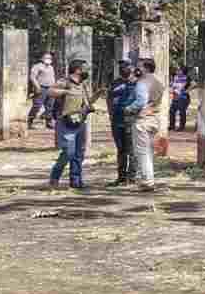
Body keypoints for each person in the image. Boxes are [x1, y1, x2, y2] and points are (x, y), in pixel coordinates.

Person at [45, 60, 95, 190]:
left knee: (79, 153)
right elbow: (50, 91)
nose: (87, 71)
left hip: (80, 122)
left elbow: (86, 102)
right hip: (65, 122)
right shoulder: (64, 82)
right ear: (78, 70)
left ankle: (76, 182)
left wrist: (89, 107)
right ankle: (54, 178)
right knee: (68, 152)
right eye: (85, 69)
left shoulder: (83, 85)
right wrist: (65, 92)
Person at [126, 58, 166, 192]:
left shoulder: (143, 82)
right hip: (154, 119)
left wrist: (128, 108)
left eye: (139, 67)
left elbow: (140, 102)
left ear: (145, 68)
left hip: (142, 120)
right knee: (148, 151)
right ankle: (146, 179)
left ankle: (147, 181)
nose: (136, 69)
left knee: (142, 152)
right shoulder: (158, 82)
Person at [107, 59, 139, 186]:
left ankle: (131, 178)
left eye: (126, 66)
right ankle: (121, 177)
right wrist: (110, 114)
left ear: (132, 68)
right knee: (121, 150)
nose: (123, 69)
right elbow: (109, 98)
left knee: (131, 150)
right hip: (117, 120)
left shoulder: (136, 83)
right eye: (121, 66)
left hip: (130, 120)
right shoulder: (115, 83)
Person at [27, 51, 56, 130]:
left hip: (50, 88)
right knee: (37, 105)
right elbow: (32, 77)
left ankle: (49, 122)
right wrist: (37, 87)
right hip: (41, 88)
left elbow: (52, 78)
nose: (49, 59)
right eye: (47, 58)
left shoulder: (51, 67)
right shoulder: (37, 66)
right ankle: (29, 121)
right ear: (42, 58)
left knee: (50, 106)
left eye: (50, 58)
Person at [168, 66, 192, 132]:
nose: (177, 71)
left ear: (183, 71)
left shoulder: (187, 78)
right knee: (172, 111)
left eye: (179, 70)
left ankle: (181, 126)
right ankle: (171, 126)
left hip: (183, 98)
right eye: (177, 70)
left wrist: (186, 90)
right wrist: (172, 88)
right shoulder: (175, 77)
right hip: (175, 97)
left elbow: (192, 85)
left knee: (182, 112)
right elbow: (172, 85)